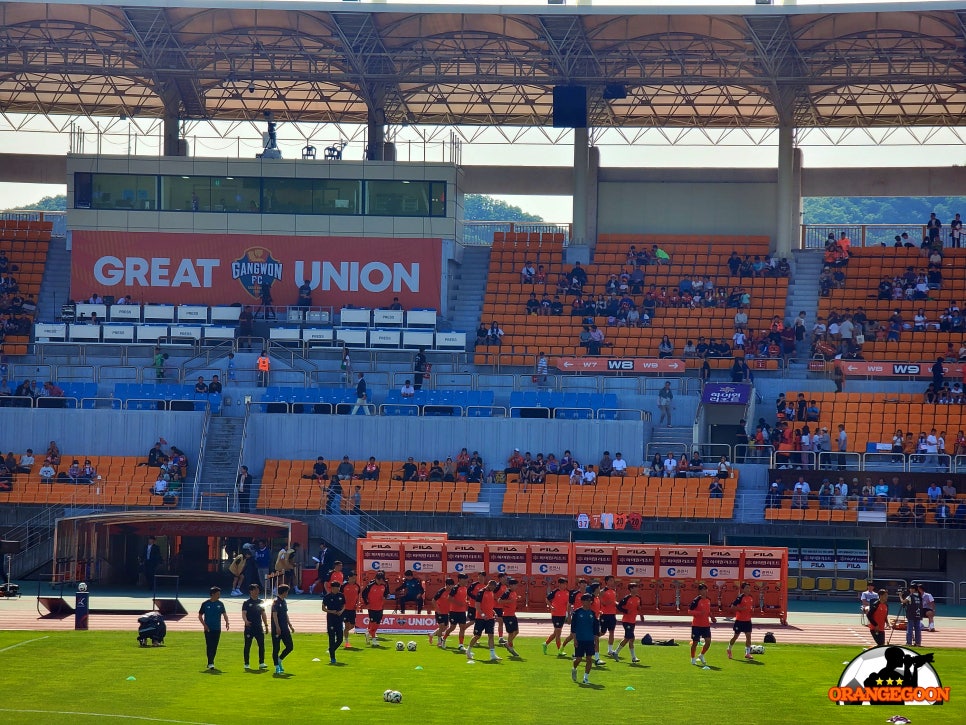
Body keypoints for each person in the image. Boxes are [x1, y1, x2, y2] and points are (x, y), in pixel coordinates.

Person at [466, 580, 500, 662]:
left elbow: (490, 606)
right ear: (490, 585)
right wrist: (482, 614)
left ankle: (492, 655)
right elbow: (477, 606)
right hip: (480, 618)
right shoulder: (481, 592)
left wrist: (494, 613)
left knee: (491, 635)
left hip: (490, 618)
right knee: (477, 636)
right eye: (493, 587)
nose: (494, 589)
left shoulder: (491, 593)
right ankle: (468, 650)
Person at [570, 593, 600, 685]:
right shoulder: (577, 612)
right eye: (587, 600)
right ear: (582, 601)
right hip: (580, 639)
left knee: (589, 659)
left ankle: (585, 678)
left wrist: (596, 643)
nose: (589, 602)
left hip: (589, 640)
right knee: (578, 659)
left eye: (590, 600)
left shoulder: (592, 614)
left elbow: (595, 630)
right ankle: (574, 668)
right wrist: (574, 639)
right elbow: (573, 627)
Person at [198, 586, 229, 671]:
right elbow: (200, 616)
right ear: (213, 594)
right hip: (208, 628)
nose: (219, 595)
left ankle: (211, 662)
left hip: (217, 628)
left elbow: (224, 614)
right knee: (209, 645)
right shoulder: (205, 604)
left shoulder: (220, 604)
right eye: (218, 594)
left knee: (215, 646)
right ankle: (210, 662)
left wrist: (227, 622)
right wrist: (204, 625)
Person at [611, 581, 643, 663]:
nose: (637, 589)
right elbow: (618, 606)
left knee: (628, 638)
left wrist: (641, 615)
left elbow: (639, 607)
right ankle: (632, 657)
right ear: (631, 589)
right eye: (635, 587)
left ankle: (617, 653)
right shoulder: (627, 598)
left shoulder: (638, 598)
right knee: (630, 638)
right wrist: (625, 611)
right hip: (626, 621)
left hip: (633, 620)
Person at [241, 583, 269, 670]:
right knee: (247, 645)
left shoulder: (261, 602)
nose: (257, 591)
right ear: (251, 591)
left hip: (258, 626)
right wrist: (246, 621)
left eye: (258, 590)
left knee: (261, 645)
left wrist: (266, 625)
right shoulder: (246, 603)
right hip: (249, 627)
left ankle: (261, 662)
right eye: (255, 590)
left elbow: (263, 614)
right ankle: (246, 663)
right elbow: (244, 613)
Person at [689, 582, 716, 666]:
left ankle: (701, 655)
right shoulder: (696, 600)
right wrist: (699, 613)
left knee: (708, 642)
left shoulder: (708, 600)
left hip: (706, 625)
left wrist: (712, 617)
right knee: (695, 642)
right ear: (699, 591)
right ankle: (693, 658)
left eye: (705, 589)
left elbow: (708, 611)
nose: (704, 591)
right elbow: (689, 611)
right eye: (702, 590)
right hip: (696, 625)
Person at [727, 582, 755, 660]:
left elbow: (750, 607)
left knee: (748, 637)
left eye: (749, 588)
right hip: (739, 620)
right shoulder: (740, 597)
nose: (748, 589)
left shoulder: (750, 597)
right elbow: (732, 607)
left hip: (748, 620)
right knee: (736, 636)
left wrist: (751, 610)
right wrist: (740, 609)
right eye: (746, 588)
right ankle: (729, 649)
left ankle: (747, 653)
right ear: (742, 589)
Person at [443, 572, 470, 650]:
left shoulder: (465, 588)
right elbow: (449, 598)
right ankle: (443, 639)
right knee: (452, 627)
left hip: (462, 611)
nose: (466, 581)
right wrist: (459, 603)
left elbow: (463, 598)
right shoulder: (455, 588)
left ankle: (461, 645)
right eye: (465, 579)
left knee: (462, 627)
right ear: (460, 579)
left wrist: (466, 603)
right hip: (454, 611)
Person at [271, 584, 295, 674]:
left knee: (290, 646)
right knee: (276, 648)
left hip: (285, 628)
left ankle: (280, 659)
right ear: (284, 592)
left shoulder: (284, 601)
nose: (287, 593)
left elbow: (285, 614)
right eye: (287, 592)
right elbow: (274, 615)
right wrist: (277, 627)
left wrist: (290, 625)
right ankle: (276, 666)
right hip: (277, 629)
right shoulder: (276, 602)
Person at [543, 577, 570, 656]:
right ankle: (559, 650)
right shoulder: (555, 592)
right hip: (555, 614)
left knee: (556, 633)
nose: (565, 585)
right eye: (563, 584)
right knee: (558, 633)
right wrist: (551, 606)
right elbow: (547, 599)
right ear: (560, 584)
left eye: (566, 584)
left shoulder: (567, 592)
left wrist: (568, 613)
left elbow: (568, 603)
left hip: (563, 614)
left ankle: (545, 643)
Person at [321, 580, 346, 664]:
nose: (337, 589)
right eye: (336, 588)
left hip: (339, 619)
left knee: (340, 639)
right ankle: (333, 658)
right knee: (331, 639)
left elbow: (344, 605)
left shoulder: (341, 595)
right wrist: (332, 611)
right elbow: (323, 608)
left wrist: (341, 611)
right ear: (332, 588)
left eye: (338, 588)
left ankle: (331, 649)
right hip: (331, 620)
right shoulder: (327, 596)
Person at [362, 571, 390, 646]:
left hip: (380, 607)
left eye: (382, 580)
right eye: (379, 580)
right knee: (373, 623)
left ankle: (368, 633)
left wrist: (385, 596)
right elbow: (363, 594)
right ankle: (374, 640)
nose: (381, 581)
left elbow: (386, 593)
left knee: (377, 624)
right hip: (371, 607)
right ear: (376, 579)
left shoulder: (384, 585)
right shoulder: (370, 585)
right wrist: (366, 603)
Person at [499, 577, 522, 657]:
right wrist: (509, 601)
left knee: (516, 631)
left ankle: (507, 644)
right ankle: (510, 648)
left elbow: (512, 600)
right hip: (507, 615)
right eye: (515, 585)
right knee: (511, 633)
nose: (516, 587)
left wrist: (516, 598)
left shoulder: (514, 592)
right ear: (511, 585)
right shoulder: (507, 592)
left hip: (512, 614)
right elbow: (499, 600)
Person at [429, 577, 453, 648]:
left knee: (445, 628)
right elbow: (433, 600)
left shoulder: (452, 592)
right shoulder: (441, 591)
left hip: (446, 612)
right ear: (447, 585)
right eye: (451, 585)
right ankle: (439, 641)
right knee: (441, 626)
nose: (452, 587)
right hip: (439, 612)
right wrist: (437, 609)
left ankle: (432, 634)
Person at [341, 571, 360, 648]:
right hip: (345, 609)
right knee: (346, 625)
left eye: (355, 578)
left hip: (353, 609)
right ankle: (346, 641)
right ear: (349, 577)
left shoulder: (357, 586)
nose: (354, 579)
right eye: (353, 578)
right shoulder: (344, 586)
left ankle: (343, 633)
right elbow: (340, 596)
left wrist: (357, 604)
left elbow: (358, 596)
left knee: (352, 626)